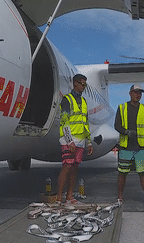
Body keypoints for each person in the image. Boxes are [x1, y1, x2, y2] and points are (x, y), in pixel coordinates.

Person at [114, 84, 144, 208]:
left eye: (140, 93)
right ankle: (119, 199)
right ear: (130, 93)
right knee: (122, 173)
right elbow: (116, 125)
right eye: (135, 92)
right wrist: (126, 132)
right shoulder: (122, 107)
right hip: (125, 147)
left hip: (140, 148)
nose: (138, 95)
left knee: (143, 174)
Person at [56, 74, 93, 204]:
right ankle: (59, 198)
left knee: (75, 168)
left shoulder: (84, 102)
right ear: (75, 83)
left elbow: (86, 123)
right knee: (67, 166)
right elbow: (64, 121)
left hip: (81, 140)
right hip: (68, 140)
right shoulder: (67, 99)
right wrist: (69, 140)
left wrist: (88, 142)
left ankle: (69, 197)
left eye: (85, 84)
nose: (84, 86)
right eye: (82, 83)